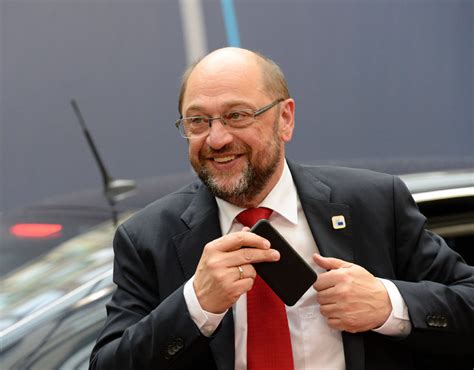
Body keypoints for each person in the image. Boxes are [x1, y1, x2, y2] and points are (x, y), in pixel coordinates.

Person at [90, 47, 474, 370]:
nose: (217, 137)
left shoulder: (373, 203)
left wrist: (388, 305)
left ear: (284, 119)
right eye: (198, 121)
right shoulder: (148, 237)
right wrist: (195, 304)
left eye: (237, 115)